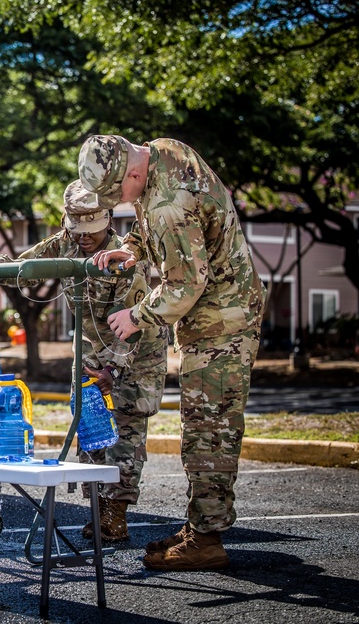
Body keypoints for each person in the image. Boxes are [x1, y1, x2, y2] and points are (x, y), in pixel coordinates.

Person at [79, 134, 266, 571]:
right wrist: (131, 248)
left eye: (116, 193)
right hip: (218, 316)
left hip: (223, 324)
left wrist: (136, 316)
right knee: (203, 425)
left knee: (209, 430)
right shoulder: (160, 151)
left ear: (133, 172)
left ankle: (206, 539)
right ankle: (200, 526)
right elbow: (153, 226)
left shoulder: (168, 206)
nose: (118, 204)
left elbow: (185, 284)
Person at [0, 180, 167, 543]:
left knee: (125, 435)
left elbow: (134, 323)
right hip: (93, 353)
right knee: (89, 429)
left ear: (108, 220)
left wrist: (113, 370)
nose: (84, 239)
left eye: (92, 230)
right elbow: (24, 267)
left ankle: (114, 514)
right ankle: (94, 510)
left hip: (134, 354)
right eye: (77, 230)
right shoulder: (67, 242)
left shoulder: (125, 259)